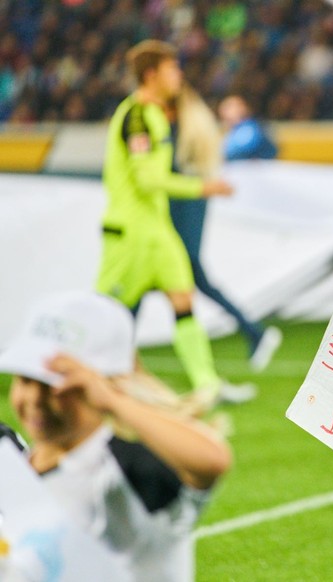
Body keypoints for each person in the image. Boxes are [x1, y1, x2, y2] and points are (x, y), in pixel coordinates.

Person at [0, 290, 231, 582]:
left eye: (55, 384)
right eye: (25, 379)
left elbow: (211, 461)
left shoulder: (123, 470)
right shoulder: (20, 467)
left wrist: (114, 402)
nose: (34, 398)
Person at [97, 40, 248, 406]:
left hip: (157, 230)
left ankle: (207, 385)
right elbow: (148, 179)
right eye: (172, 69)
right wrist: (203, 186)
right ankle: (79, 384)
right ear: (152, 74)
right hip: (130, 233)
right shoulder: (136, 116)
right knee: (103, 314)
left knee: (183, 298)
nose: (178, 75)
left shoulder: (154, 114)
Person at [169, 84, 283, 374]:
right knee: (191, 281)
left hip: (185, 208)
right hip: (184, 208)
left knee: (188, 277)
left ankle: (210, 369)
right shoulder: (198, 133)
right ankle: (249, 336)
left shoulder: (230, 132)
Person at [217, 94, 278, 161]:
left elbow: (236, 151)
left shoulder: (250, 128)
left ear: (242, 109)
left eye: (229, 107)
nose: (225, 112)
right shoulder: (234, 130)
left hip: (260, 168)